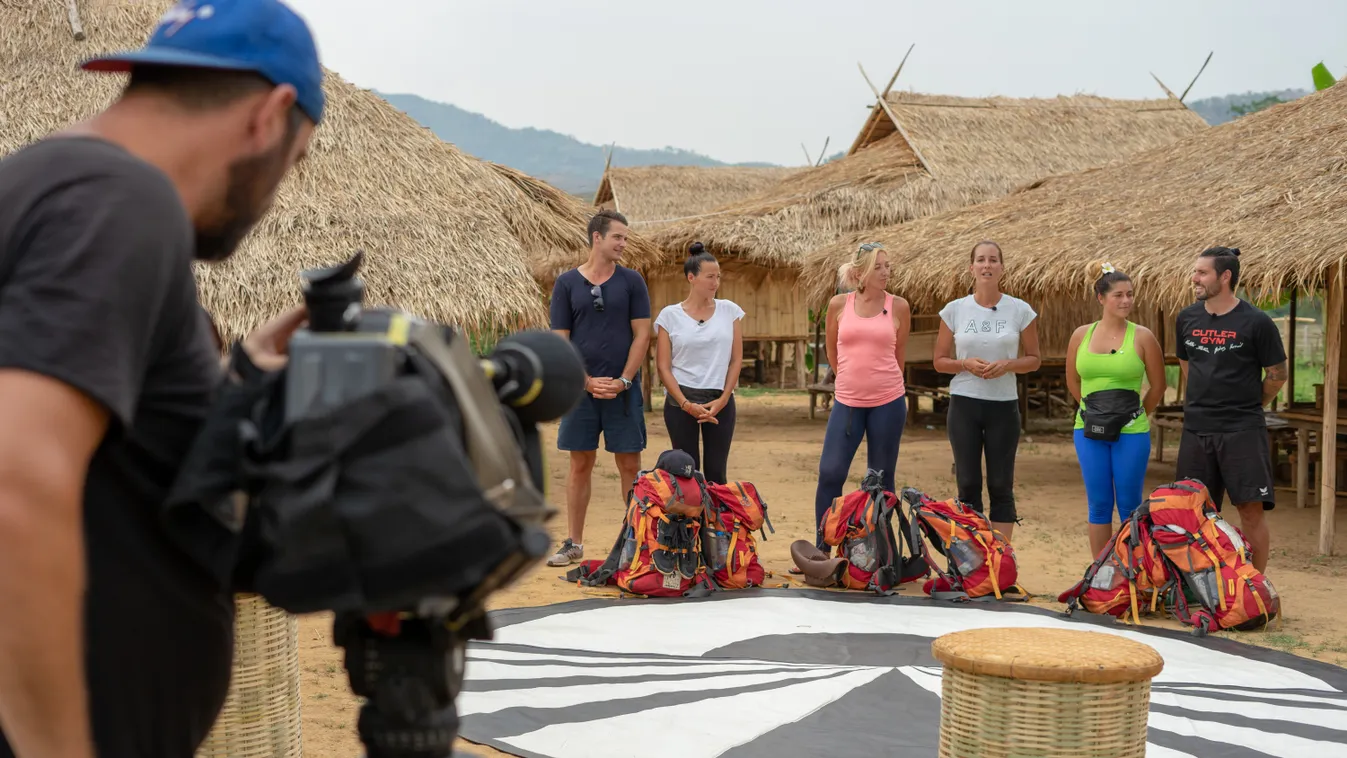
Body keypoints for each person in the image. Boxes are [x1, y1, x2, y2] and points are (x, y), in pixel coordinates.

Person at [0, 1, 323, 756]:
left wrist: (234, 375)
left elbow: (101, 462)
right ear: (270, 116)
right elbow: (16, 481)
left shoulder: (41, 183)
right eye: (298, 159)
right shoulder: (121, 200)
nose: (281, 186)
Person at [547, 209, 653, 567]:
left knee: (630, 465)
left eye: (625, 238)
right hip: (581, 391)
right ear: (597, 237)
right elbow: (560, 340)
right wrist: (586, 381)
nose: (623, 243)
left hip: (624, 389)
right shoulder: (566, 283)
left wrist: (624, 380)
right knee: (580, 463)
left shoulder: (633, 281)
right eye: (617, 237)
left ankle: (634, 543)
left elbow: (642, 335)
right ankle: (574, 543)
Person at [1175, 246, 1286, 574]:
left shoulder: (1257, 322)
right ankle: (1201, 586)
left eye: (1202, 272)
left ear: (1225, 277)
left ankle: (1255, 587)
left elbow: (1277, 375)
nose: (1195, 278)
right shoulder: (1187, 318)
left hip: (1242, 431)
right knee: (1192, 513)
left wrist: (1248, 405)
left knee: (1250, 511)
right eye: (1195, 271)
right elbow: (1187, 364)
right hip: (1196, 430)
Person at [933, 240, 1041, 541]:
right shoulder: (954, 310)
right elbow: (939, 361)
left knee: (1001, 485)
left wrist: (1008, 364)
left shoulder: (1020, 310)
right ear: (972, 268)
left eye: (993, 260)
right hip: (964, 404)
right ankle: (973, 555)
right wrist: (964, 364)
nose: (987, 265)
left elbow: (1034, 359)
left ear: (1002, 268)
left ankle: (1001, 556)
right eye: (981, 260)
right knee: (967, 483)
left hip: (1003, 405)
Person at [812, 243, 910, 549]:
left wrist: (880, 385)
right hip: (848, 403)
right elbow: (832, 350)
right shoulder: (838, 305)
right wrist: (849, 380)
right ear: (860, 273)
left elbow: (899, 356)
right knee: (831, 473)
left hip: (888, 403)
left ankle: (879, 553)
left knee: (881, 480)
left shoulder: (899, 306)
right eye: (877, 267)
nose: (885, 272)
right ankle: (822, 549)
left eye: (887, 266)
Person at [1066, 265, 1167, 558]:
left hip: (1131, 432)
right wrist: (1095, 413)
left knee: (1129, 505)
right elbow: (1073, 381)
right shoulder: (1080, 335)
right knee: (1098, 504)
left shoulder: (1143, 337)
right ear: (1101, 298)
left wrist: (1134, 415)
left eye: (1130, 295)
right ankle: (1101, 572)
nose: (1126, 301)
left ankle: (1133, 570)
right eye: (1118, 295)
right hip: (1089, 430)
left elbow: (1158, 386)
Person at [654, 242, 745, 485]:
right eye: (709, 277)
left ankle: (716, 512)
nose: (715, 282)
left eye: (718, 277)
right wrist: (686, 405)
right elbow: (663, 366)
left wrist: (723, 399)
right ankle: (689, 513)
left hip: (720, 399)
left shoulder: (730, 311)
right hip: (680, 400)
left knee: (717, 474)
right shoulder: (669, 315)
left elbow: (736, 359)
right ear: (691, 278)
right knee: (686, 473)